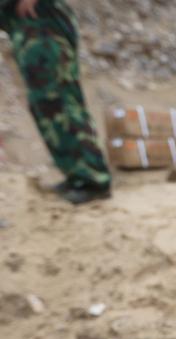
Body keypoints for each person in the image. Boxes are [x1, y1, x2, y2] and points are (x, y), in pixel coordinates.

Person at [1, 0, 112, 204]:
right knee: (47, 105)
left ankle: (92, 179)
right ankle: (77, 175)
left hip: (40, 24)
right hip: (28, 27)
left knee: (58, 101)